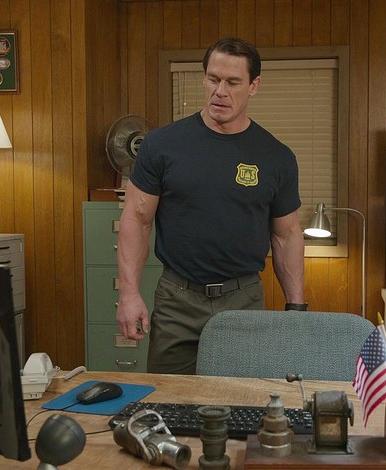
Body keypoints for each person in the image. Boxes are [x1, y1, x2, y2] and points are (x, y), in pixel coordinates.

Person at [116, 37, 307, 374]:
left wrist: (296, 308)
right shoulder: (162, 145)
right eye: (213, 79)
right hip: (177, 300)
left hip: (243, 300)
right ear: (204, 78)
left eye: (233, 82)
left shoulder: (276, 157)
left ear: (254, 86)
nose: (221, 91)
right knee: (169, 398)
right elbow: (136, 219)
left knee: (243, 398)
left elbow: (287, 235)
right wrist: (129, 294)